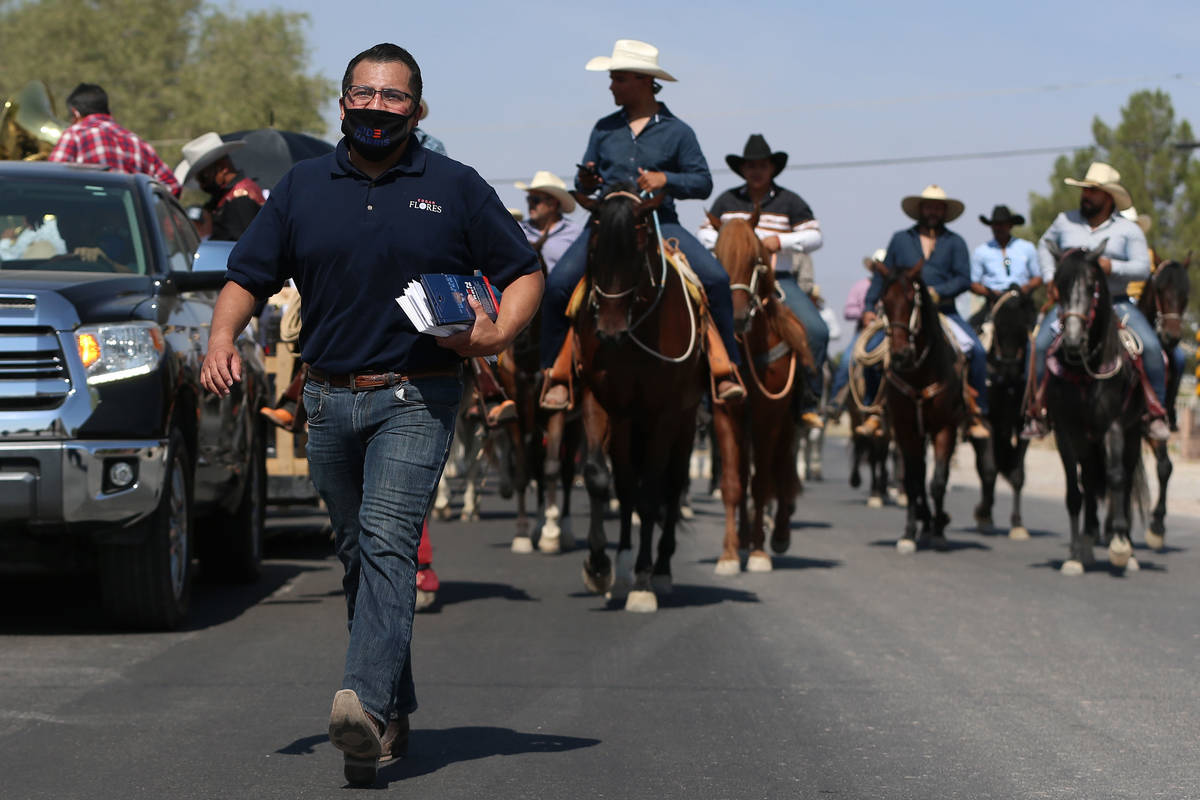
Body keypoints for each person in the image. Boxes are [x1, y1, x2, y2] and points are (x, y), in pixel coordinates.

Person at [198, 43, 543, 786]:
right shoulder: (302, 187)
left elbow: (523, 269)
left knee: (389, 542)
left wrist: (498, 333)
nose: (378, 107)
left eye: (394, 97)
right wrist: (222, 336)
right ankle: (397, 699)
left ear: (417, 109)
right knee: (358, 553)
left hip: (416, 394)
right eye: (366, 94)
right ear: (344, 101)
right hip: (324, 398)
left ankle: (363, 707)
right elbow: (247, 275)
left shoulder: (455, 186)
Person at [540, 39, 743, 410]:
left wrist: (667, 180)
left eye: (618, 78)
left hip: (662, 224)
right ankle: (556, 373)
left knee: (714, 280)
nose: (611, 85)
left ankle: (725, 366)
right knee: (556, 285)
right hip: (605, 224)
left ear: (644, 81)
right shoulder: (603, 129)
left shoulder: (679, 132)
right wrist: (586, 183)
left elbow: (702, 182)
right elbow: (588, 180)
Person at [1025, 162, 1168, 441]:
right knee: (1040, 345)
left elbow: (1142, 267)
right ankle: (1038, 412)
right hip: (1072, 307)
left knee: (1151, 348)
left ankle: (1155, 411)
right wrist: (1050, 277)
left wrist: (1111, 266)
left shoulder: (1128, 230)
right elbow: (1044, 245)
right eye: (1085, 190)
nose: (1086, 195)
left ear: (1109, 197)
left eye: (1093, 191)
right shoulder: (1064, 221)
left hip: (1117, 303)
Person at [698, 133, 827, 427]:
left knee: (817, 331)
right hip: (734, 282)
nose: (756, 171)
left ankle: (808, 400)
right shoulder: (728, 200)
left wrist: (779, 242)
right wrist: (734, 239)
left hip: (778, 280)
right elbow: (704, 233)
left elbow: (815, 236)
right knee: (701, 326)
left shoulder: (789, 201)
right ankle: (704, 400)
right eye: (750, 166)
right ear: (742, 170)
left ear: (772, 169)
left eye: (762, 166)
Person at [858, 185, 990, 439]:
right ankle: (874, 410)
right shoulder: (900, 239)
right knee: (870, 353)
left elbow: (964, 278)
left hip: (944, 312)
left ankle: (976, 412)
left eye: (938, 207)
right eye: (928, 206)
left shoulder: (955, 242)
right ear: (920, 209)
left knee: (977, 351)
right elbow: (882, 277)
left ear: (945, 211)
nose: (933, 211)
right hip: (904, 314)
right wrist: (868, 307)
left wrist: (938, 292)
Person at [48, 83, 180, 195]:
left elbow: (50, 180)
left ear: (75, 113)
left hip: (84, 219)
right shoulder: (137, 142)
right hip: (130, 224)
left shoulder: (75, 133)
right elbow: (172, 186)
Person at [178, 132, 266, 242]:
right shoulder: (224, 198)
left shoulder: (240, 200)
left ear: (223, 167)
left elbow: (242, 247)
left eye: (204, 177)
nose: (201, 185)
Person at [826, 249, 883, 413]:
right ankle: (836, 401)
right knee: (846, 361)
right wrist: (865, 313)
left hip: (888, 332)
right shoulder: (861, 286)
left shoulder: (893, 286)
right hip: (865, 332)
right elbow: (848, 311)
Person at [968, 205, 1041, 330]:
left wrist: (1025, 288)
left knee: (1035, 341)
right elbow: (973, 283)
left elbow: (1038, 277)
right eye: (996, 224)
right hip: (993, 304)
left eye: (1002, 224)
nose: (999, 228)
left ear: (1010, 225)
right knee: (971, 336)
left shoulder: (1026, 248)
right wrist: (990, 293)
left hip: (1021, 304)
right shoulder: (981, 252)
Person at [514, 170, 584, 272]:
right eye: (529, 199)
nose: (531, 204)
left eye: (536, 200)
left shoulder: (575, 233)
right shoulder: (517, 230)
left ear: (553, 203)